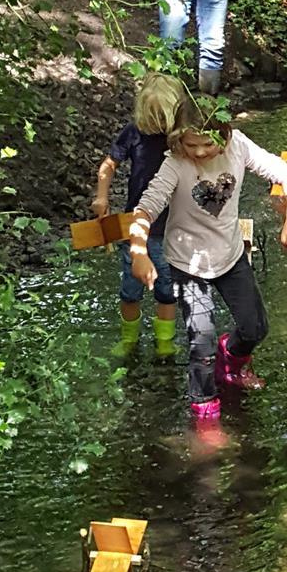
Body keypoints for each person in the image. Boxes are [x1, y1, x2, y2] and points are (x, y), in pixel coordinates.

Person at [128, 95, 287, 426]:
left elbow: (286, 173)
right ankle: (204, 408)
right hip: (187, 264)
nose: (198, 153)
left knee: (255, 327)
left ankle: (232, 363)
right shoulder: (175, 164)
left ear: (224, 134)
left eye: (207, 144)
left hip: (230, 255)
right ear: (178, 139)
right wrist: (139, 251)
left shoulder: (239, 146)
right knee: (201, 341)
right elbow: (144, 209)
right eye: (190, 144)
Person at [92, 72, 185, 358]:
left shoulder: (182, 137)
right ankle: (129, 340)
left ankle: (164, 342)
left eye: (163, 116)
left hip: (172, 228)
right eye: (152, 116)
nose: (158, 124)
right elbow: (109, 165)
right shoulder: (134, 132)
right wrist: (102, 196)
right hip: (135, 226)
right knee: (130, 291)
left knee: (167, 291)